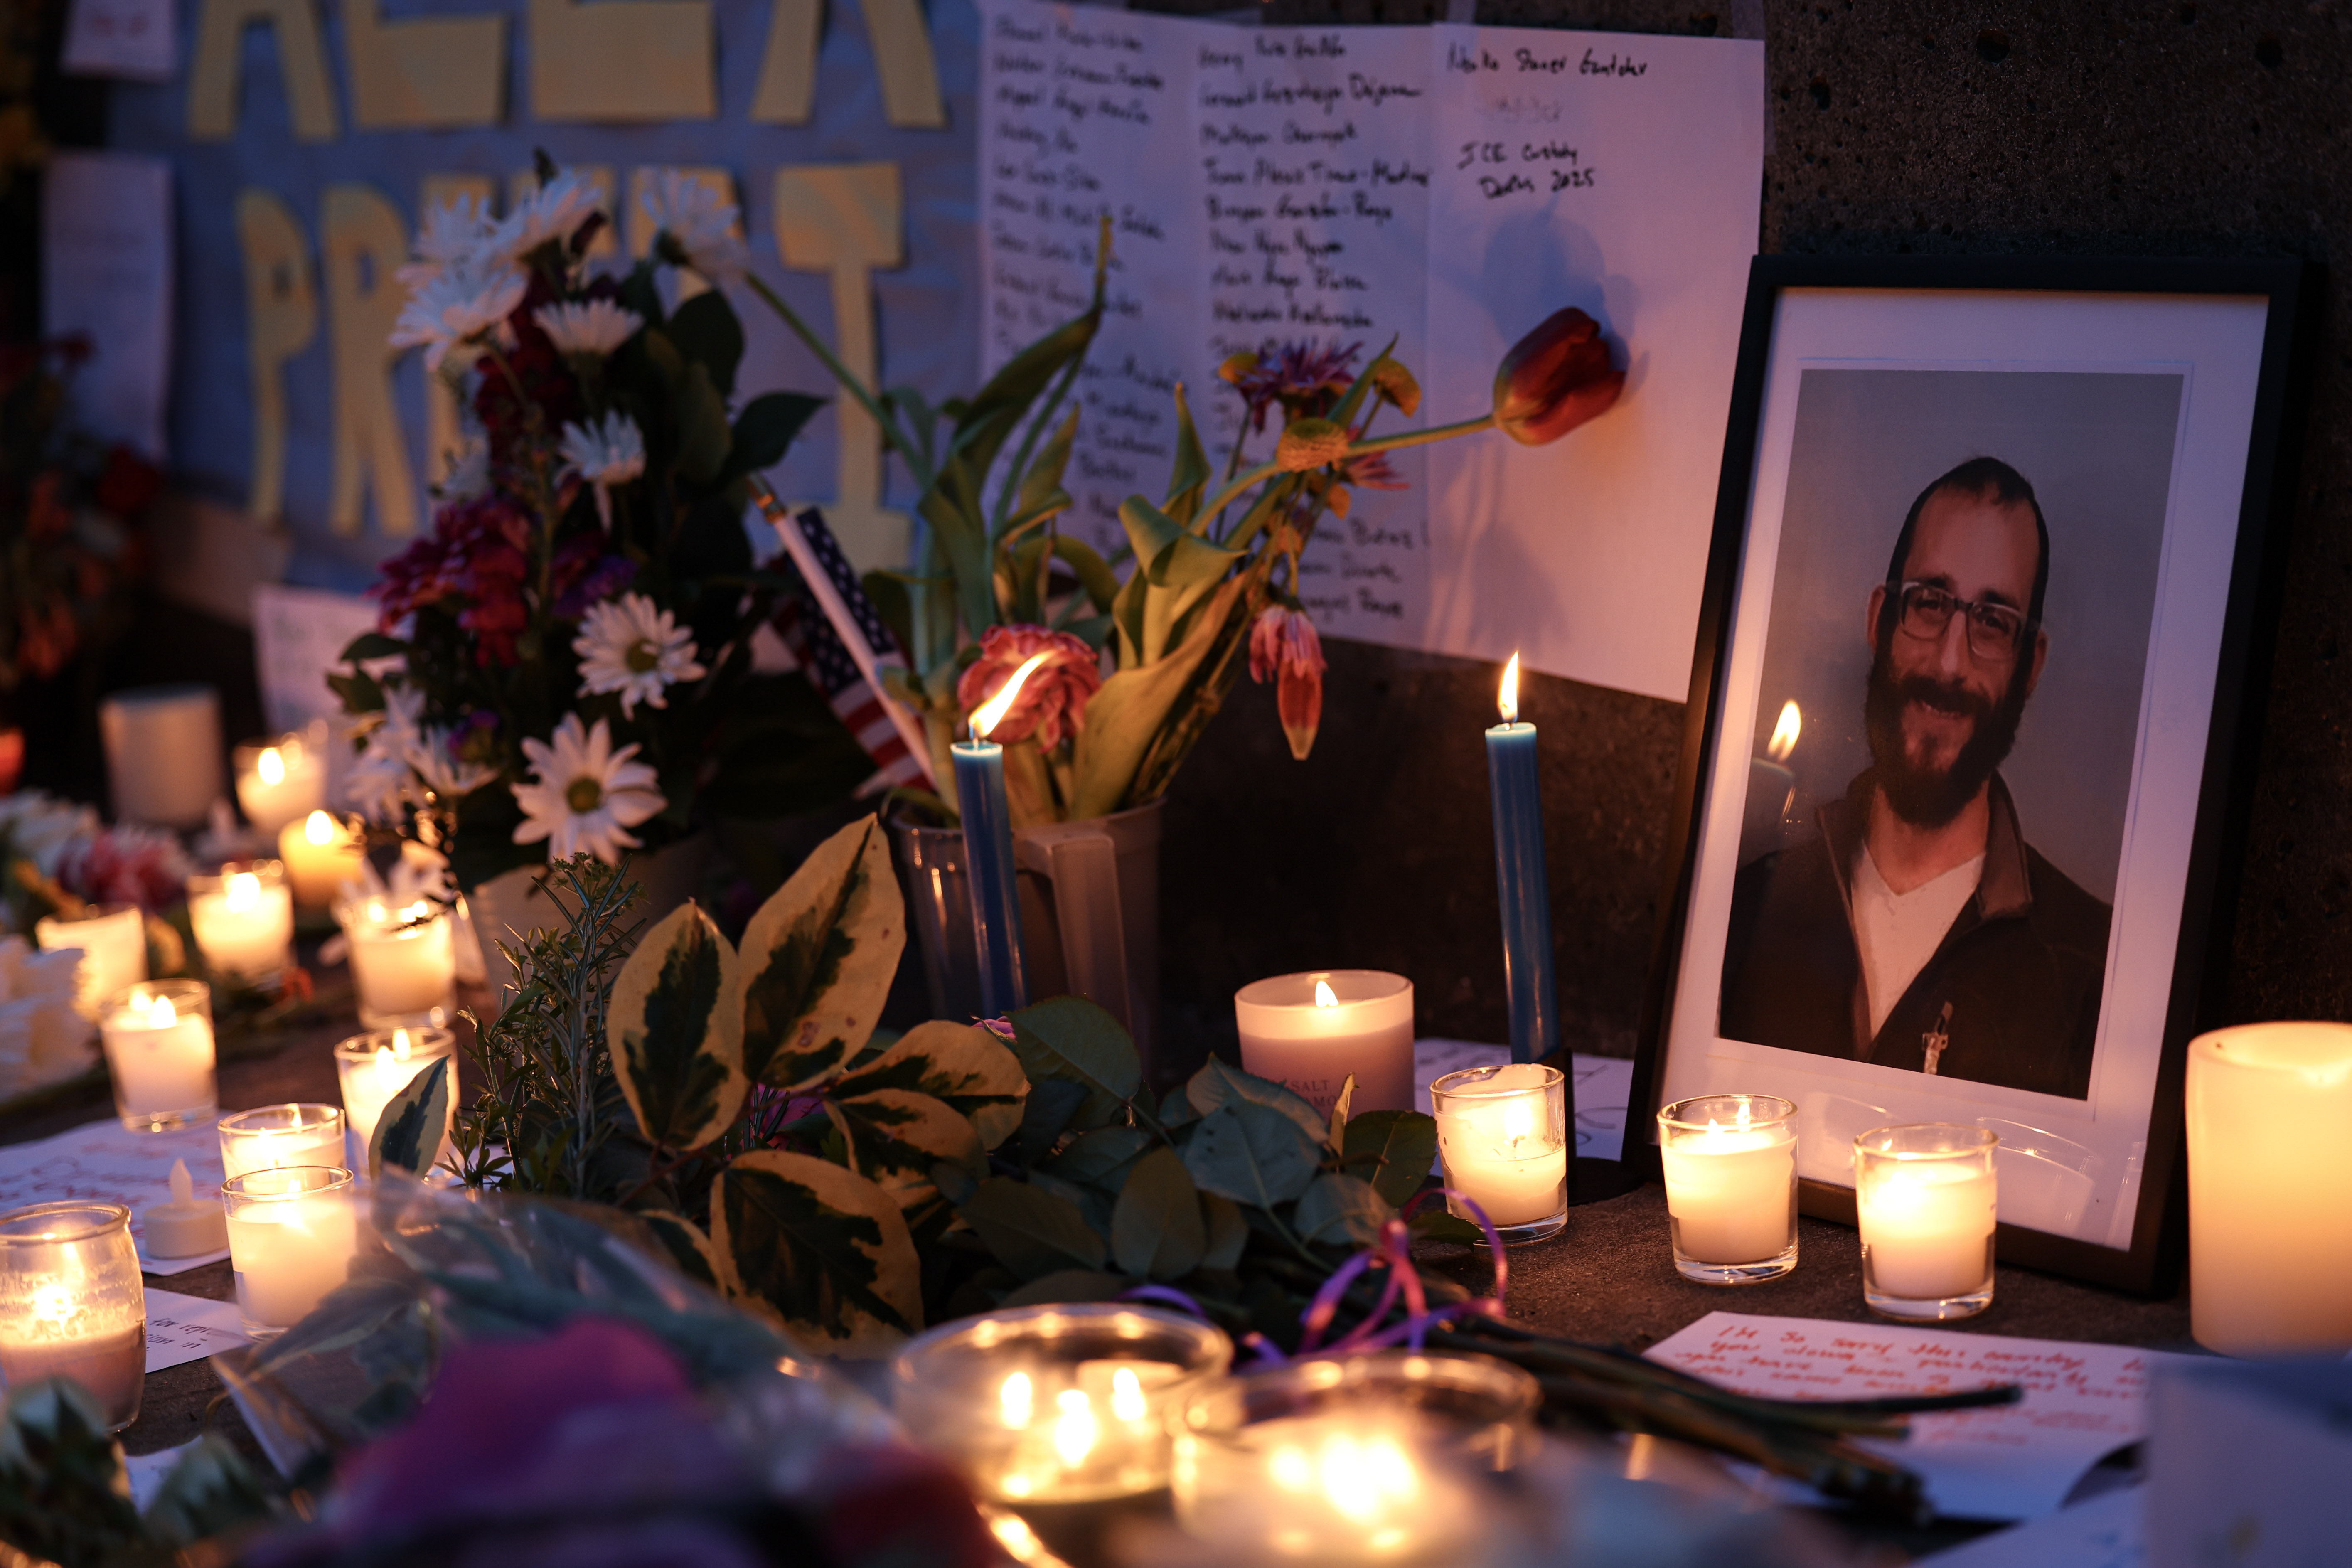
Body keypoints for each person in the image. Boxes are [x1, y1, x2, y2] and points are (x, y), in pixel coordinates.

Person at [1718, 457, 2111, 1099]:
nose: (1950, 662)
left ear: (2030, 665)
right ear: (1880, 619)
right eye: (1929, 603)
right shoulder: (1748, 910)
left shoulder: (2093, 969)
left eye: (1992, 622)